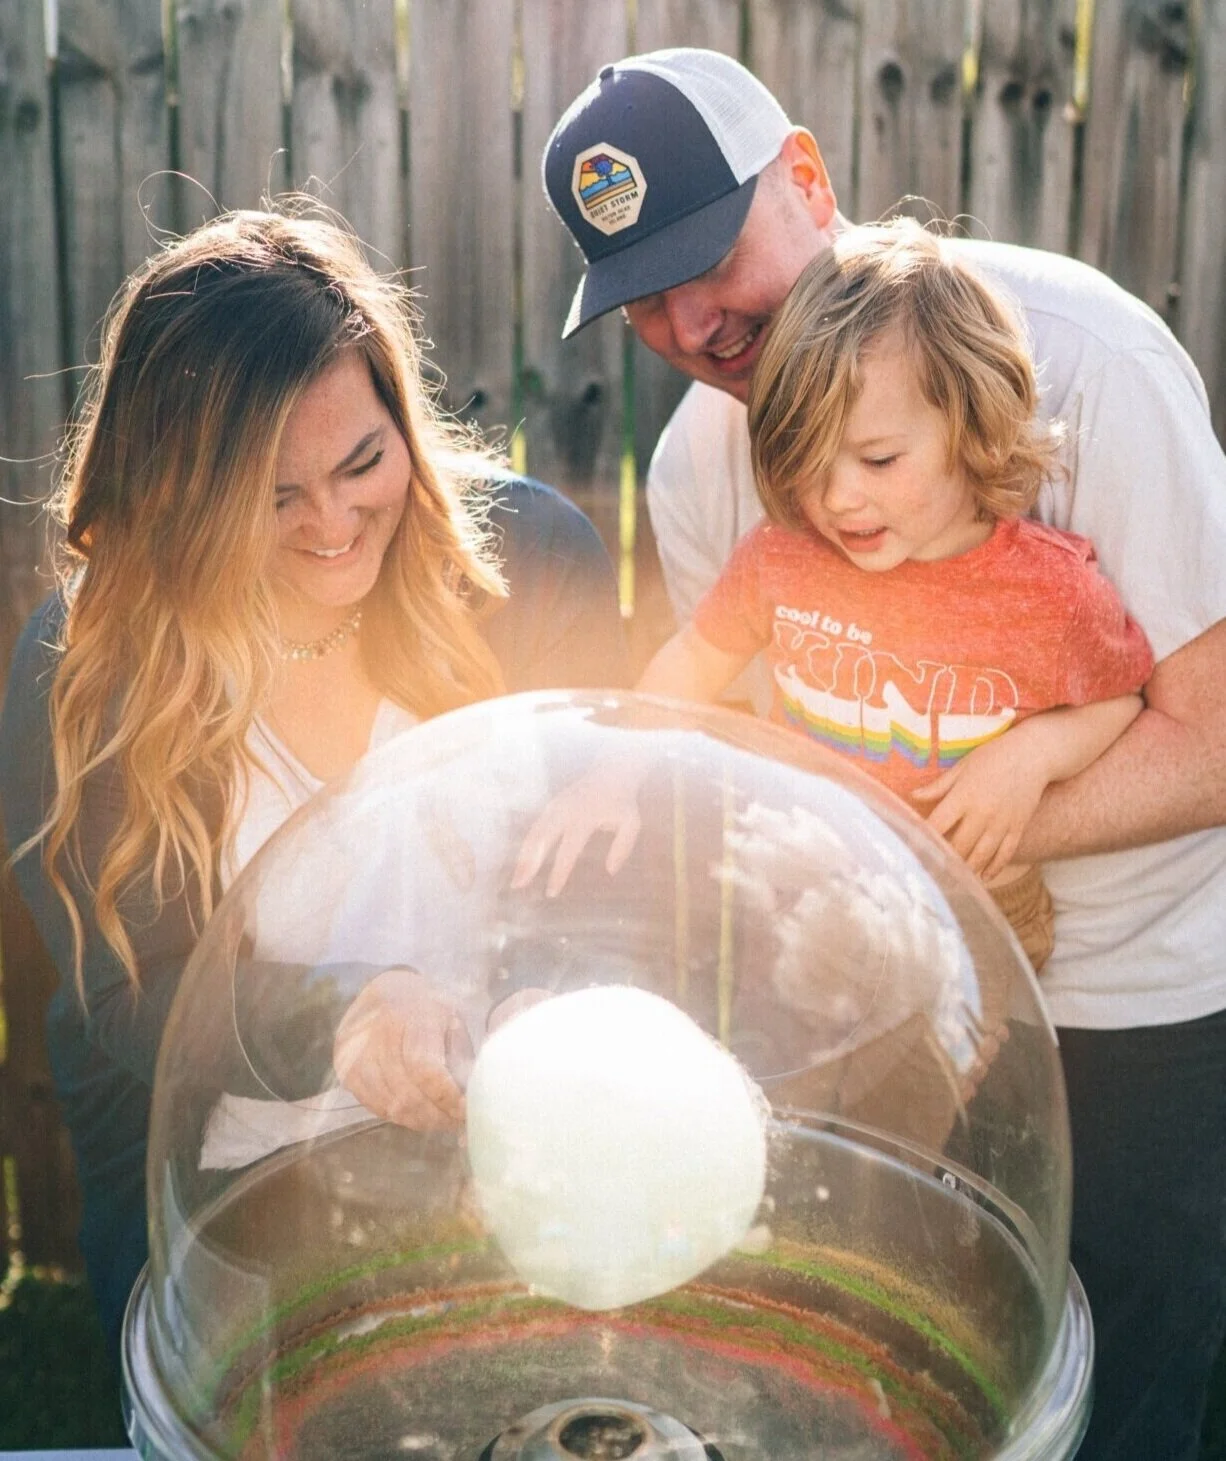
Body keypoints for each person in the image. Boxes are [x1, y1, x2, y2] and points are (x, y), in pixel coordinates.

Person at [542, 47, 1226, 1461]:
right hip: (902, 993)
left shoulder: (1074, 356)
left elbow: (1210, 735)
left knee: (1123, 1401)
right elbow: (744, 748)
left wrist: (1002, 800)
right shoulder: (694, 472)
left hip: (1140, 1006)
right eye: (641, 299)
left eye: (707, 258)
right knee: (910, 1387)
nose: (691, 324)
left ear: (807, 176)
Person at [0, 203, 627, 1359]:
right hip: (236, 1196)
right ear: (178, 492)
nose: (335, 524)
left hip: (506, 1154)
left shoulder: (533, 563)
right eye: (274, 496)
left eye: (362, 462)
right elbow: (131, 995)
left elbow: (615, 865)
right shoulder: (81, 671)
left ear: (402, 419)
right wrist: (347, 1018)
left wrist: (555, 1000)